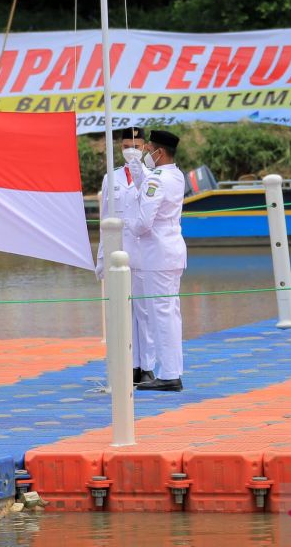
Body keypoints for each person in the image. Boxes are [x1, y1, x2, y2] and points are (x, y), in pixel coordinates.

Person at [121, 130, 187, 392]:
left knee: (161, 316)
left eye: (148, 151)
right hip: (170, 253)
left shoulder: (157, 181)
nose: (146, 154)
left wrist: (124, 223)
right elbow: (146, 186)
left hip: (156, 255)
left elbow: (142, 225)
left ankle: (170, 374)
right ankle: (172, 371)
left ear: (158, 152)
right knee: (170, 313)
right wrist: (137, 168)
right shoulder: (175, 174)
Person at [95, 127, 155, 385]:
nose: (131, 150)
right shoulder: (112, 177)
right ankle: (130, 365)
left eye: (137, 146)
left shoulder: (153, 176)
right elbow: (105, 218)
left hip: (145, 251)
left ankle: (148, 367)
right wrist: (101, 257)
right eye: (126, 145)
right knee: (123, 310)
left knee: (146, 311)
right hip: (118, 250)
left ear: (145, 148)